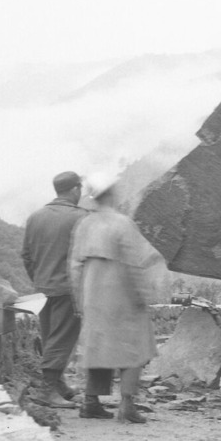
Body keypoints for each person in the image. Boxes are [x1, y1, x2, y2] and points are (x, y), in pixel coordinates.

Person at [68, 178, 170, 423]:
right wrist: (142, 294)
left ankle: (91, 402)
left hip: (93, 292)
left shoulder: (84, 225)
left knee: (98, 345)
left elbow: (74, 265)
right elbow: (134, 263)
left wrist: (79, 298)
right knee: (133, 347)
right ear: (112, 196)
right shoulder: (122, 223)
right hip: (121, 292)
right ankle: (126, 405)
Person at [20, 171, 89, 404]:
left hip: (43, 288)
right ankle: (47, 391)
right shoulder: (81, 217)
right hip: (69, 289)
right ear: (75, 190)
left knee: (51, 337)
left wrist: (39, 279)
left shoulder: (35, 217)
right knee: (62, 340)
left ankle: (58, 386)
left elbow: (26, 256)